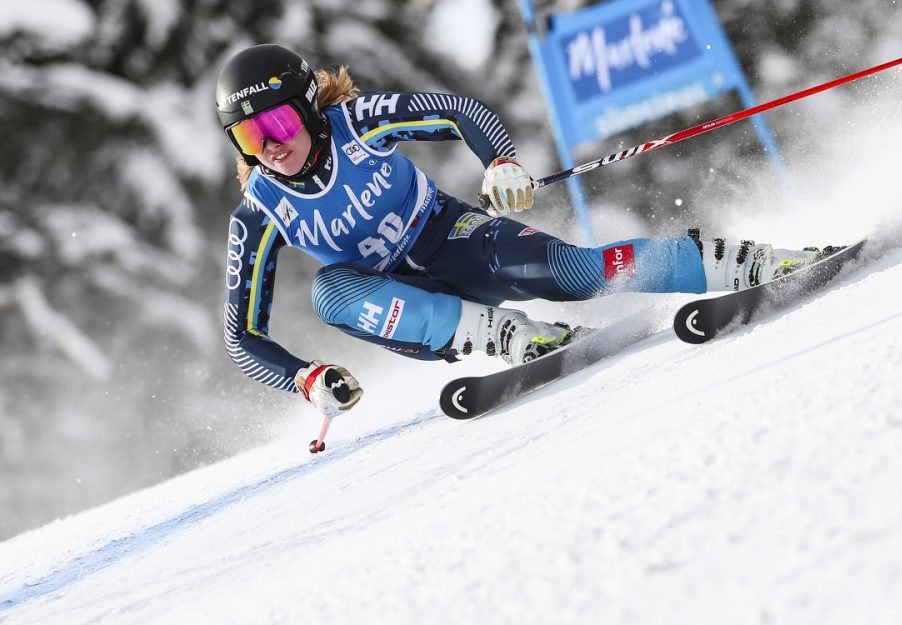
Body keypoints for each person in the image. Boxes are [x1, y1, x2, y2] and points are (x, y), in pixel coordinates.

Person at [217, 44, 827, 420]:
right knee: (330, 291)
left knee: (576, 274)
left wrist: (500, 162)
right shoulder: (260, 212)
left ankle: (745, 262)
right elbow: (241, 336)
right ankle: (514, 338)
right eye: (248, 137)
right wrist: (303, 378)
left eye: (277, 120)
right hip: (406, 306)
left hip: (448, 238)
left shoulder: (355, 124)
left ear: (309, 106)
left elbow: (460, 111)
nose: (270, 146)